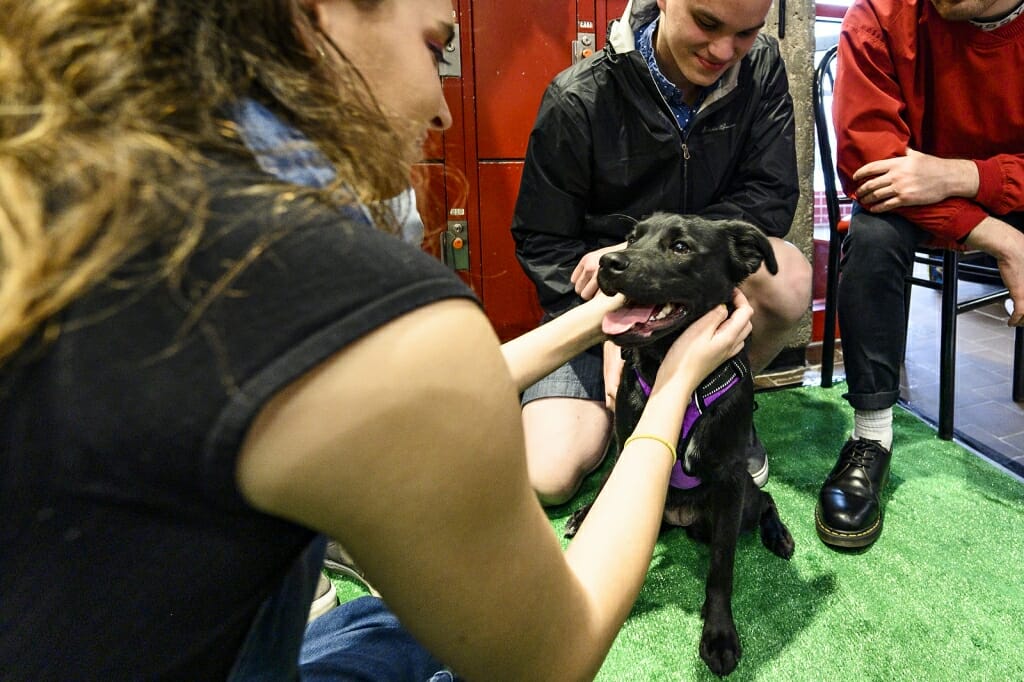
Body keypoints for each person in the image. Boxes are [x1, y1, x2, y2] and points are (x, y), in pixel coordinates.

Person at [0, 1, 755, 680]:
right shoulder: (343, 290)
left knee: (395, 625)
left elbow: (415, 379)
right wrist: (678, 383)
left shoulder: (86, 197)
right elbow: (555, 655)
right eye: (435, 48)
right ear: (312, 17)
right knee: (452, 628)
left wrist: (609, 315)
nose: (442, 113)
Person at [511, 0, 813, 506]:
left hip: (696, 293)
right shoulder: (577, 96)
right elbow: (543, 241)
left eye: (746, 32)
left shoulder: (760, 65)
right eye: (707, 23)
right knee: (548, 475)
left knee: (791, 280)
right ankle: (629, 414)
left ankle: (722, 408)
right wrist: (609, 325)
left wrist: (652, 247)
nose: (723, 51)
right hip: (596, 308)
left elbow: (769, 195)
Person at [820, 0, 1024, 549]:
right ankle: (872, 437)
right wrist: (1000, 236)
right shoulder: (878, 16)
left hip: (974, 185)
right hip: (907, 203)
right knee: (871, 235)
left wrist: (961, 176)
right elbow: (871, 168)